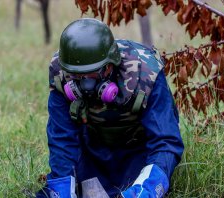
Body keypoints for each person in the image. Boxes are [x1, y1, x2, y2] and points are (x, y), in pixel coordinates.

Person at [36, 18, 184, 198]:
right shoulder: (62, 69)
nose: (84, 84)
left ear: (109, 66)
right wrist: (61, 188)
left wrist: (147, 190)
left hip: (138, 151)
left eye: (91, 74)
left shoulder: (146, 72)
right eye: (76, 75)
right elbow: (61, 136)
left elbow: (166, 141)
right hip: (91, 149)